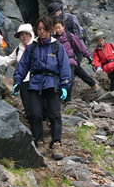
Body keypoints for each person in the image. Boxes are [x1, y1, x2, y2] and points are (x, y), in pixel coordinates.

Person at [13, 16, 71, 160]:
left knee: (54, 114)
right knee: (35, 113)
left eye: (44, 29)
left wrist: (65, 85)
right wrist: (17, 81)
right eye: (39, 29)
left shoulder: (57, 47)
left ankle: (56, 143)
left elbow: (64, 66)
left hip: (52, 83)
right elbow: (23, 65)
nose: (41, 32)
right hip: (35, 82)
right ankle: (39, 141)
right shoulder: (32, 48)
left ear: (50, 29)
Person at [53, 19, 99, 102]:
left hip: (70, 61)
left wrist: (88, 56)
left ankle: (67, 100)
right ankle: (94, 85)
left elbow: (80, 46)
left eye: (59, 27)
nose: (58, 30)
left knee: (69, 79)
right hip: (61, 63)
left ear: (63, 27)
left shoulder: (69, 36)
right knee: (80, 72)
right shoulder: (53, 40)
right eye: (56, 28)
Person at [0, 23, 34, 117]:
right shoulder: (19, 49)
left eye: (26, 33)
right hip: (23, 81)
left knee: (38, 106)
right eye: (21, 34)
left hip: (36, 80)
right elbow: (7, 60)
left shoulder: (38, 46)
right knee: (28, 106)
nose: (24, 36)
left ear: (31, 34)